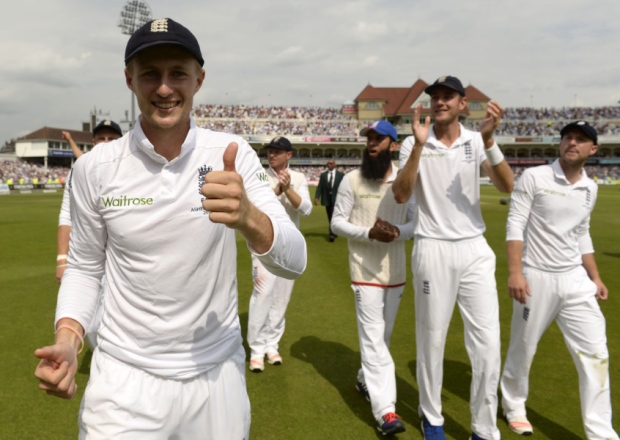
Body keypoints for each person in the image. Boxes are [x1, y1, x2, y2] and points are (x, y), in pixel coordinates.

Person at [34, 18, 306, 440]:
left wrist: (249, 218)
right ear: (130, 80)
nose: (164, 88)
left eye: (178, 73)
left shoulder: (231, 153)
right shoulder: (95, 168)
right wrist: (69, 338)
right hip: (124, 378)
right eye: (150, 74)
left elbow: (295, 261)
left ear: (199, 79)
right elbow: (85, 269)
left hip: (215, 375)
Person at [392, 75, 514, 440]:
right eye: (436, 97)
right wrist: (417, 146)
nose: (440, 102)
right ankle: (432, 418)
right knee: (432, 338)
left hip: (474, 247)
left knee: (488, 344)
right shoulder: (414, 142)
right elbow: (400, 195)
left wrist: (490, 140)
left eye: (449, 97)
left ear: (463, 104)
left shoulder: (477, 141)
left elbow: (508, 186)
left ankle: (484, 428)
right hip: (433, 246)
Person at [500, 121, 619, 440]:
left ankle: (601, 431)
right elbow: (515, 224)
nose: (572, 143)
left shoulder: (590, 189)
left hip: (575, 281)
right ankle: (513, 406)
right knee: (524, 347)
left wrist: (595, 277)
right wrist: (516, 272)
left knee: (596, 353)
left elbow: (581, 232)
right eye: (568, 137)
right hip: (536, 277)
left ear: (593, 150)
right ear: (560, 143)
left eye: (580, 140)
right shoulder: (535, 176)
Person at [332, 120, 414, 436]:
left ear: (393, 145)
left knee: (384, 338)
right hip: (363, 272)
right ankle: (386, 412)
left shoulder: (406, 183)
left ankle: (366, 379)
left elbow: (416, 225)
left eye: (379, 139)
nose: (372, 143)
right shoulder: (352, 179)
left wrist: (395, 233)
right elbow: (338, 223)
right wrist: (368, 233)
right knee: (373, 339)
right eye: (369, 138)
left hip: (395, 273)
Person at [57, 120, 123, 349]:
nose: (106, 143)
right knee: (92, 322)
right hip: (88, 257)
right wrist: (61, 259)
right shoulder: (80, 170)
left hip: (123, 259)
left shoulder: (131, 170)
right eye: (101, 138)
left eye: (112, 139)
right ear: (93, 142)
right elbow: (67, 214)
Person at [247, 136, 312, 372]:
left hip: (289, 246)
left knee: (281, 298)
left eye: (277, 151)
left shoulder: (298, 178)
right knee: (263, 294)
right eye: (270, 151)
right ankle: (256, 349)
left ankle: (271, 345)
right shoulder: (259, 174)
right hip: (263, 244)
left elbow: (305, 208)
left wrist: (288, 189)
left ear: (289, 155)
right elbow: (256, 207)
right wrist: (277, 189)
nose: (272, 155)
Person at [314, 158, 344, 241]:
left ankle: (332, 234)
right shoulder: (323, 175)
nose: (329, 165)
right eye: (328, 163)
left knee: (334, 216)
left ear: (335, 165)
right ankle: (334, 232)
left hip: (337, 199)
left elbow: (345, 188)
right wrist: (317, 197)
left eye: (331, 163)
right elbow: (320, 187)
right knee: (330, 216)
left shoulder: (340, 175)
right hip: (327, 199)